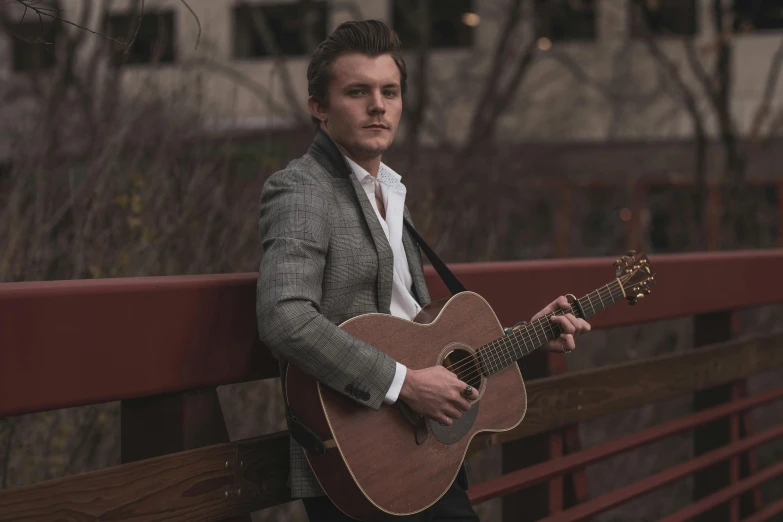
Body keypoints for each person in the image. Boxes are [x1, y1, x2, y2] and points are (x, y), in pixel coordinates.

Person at [255, 19, 591, 522]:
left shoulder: (392, 194)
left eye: (389, 91)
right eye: (357, 91)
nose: (378, 105)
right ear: (318, 108)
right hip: (360, 460)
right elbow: (285, 317)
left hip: (424, 449)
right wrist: (405, 384)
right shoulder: (303, 190)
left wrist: (531, 332)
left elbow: (420, 331)